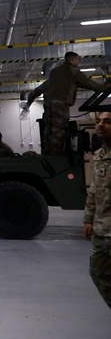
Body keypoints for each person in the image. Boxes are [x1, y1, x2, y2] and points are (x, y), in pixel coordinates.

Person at [22, 51, 110, 155]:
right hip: (60, 106)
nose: (79, 62)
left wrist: (27, 105)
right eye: (77, 59)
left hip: (48, 108)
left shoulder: (54, 73)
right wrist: (106, 87)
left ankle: (47, 157)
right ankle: (58, 161)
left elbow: (37, 91)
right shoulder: (74, 71)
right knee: (58, 133)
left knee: (48, 133)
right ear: (72, 59)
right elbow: (92, 85)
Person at [83, 111, 111, 308]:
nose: (100, 125)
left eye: (107, 122)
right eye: (98, 121)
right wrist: (88, 219)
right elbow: (94, 190)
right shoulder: (99, 155)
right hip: (102, 230)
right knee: (98, 272)